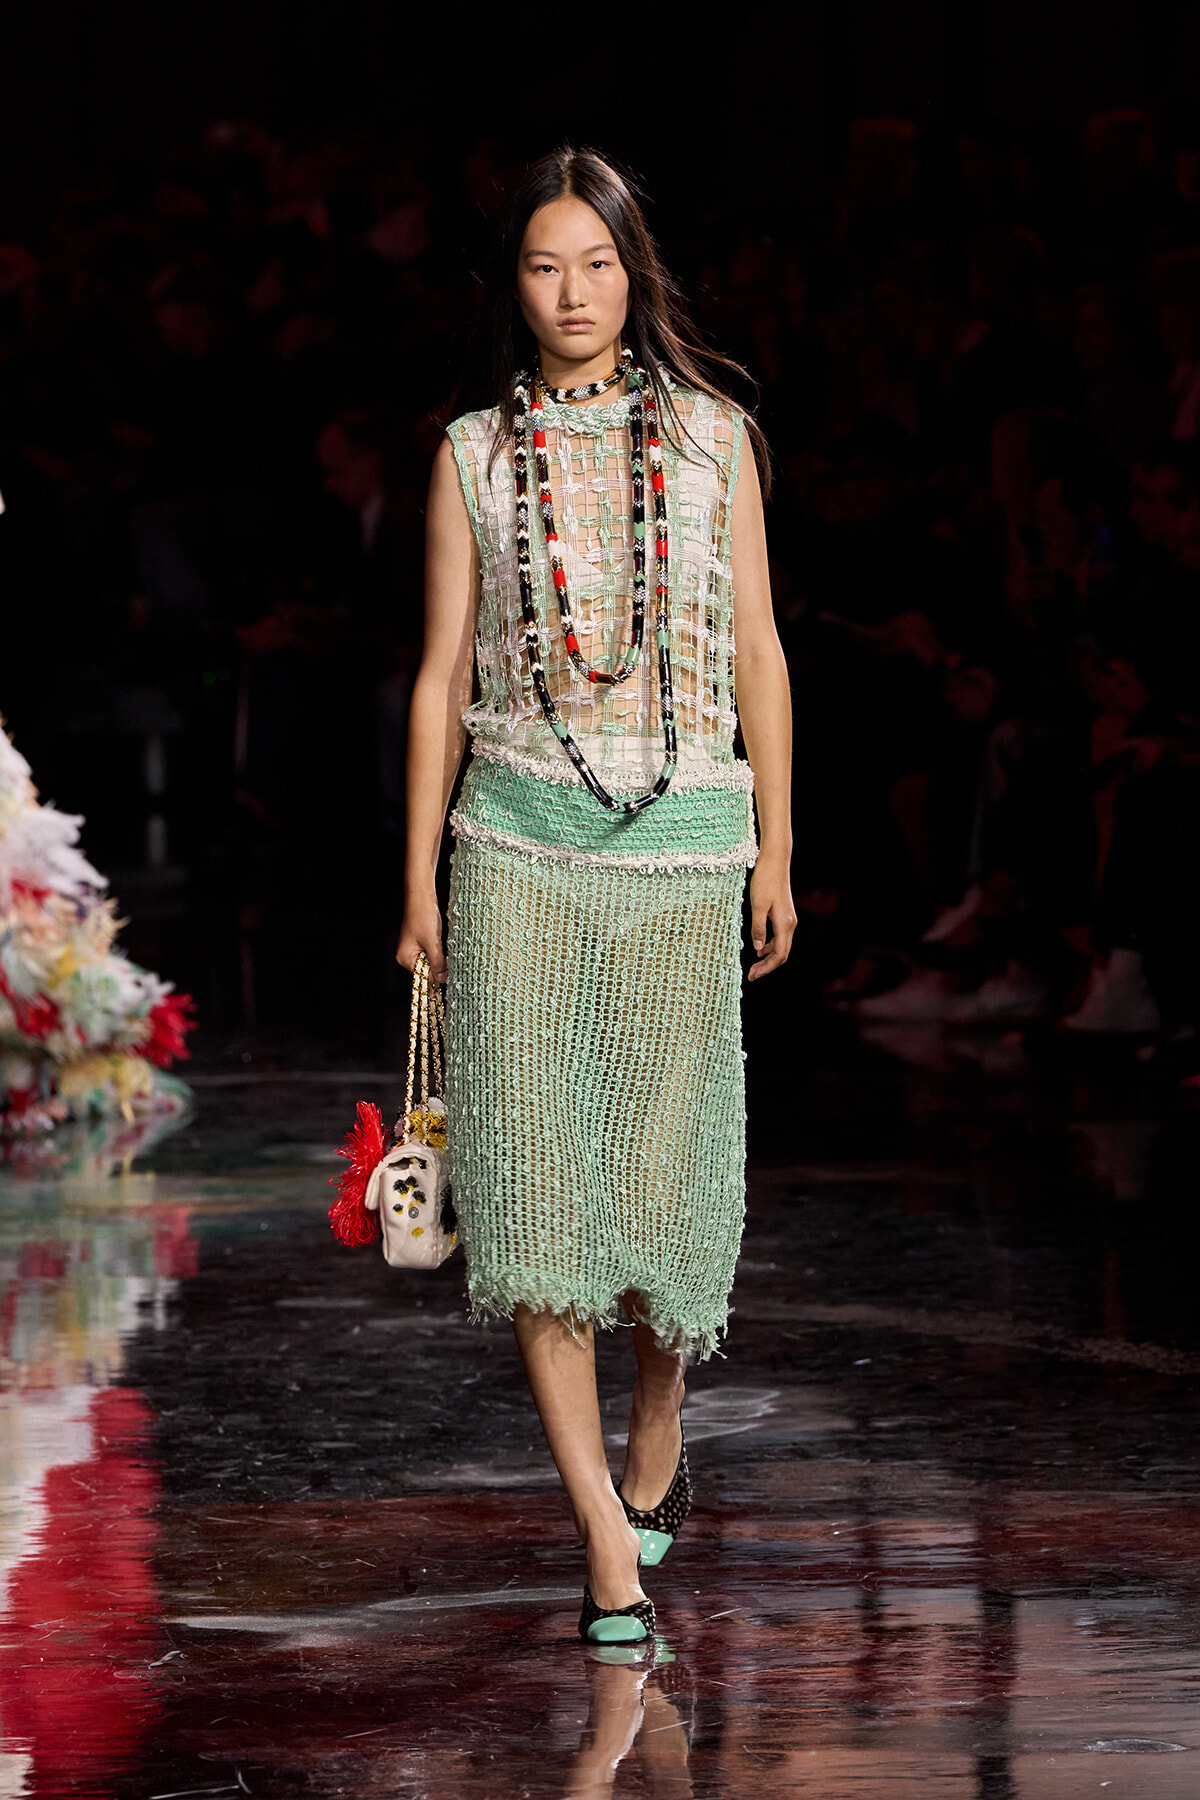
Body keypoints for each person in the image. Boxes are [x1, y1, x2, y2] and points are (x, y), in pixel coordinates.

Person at [396, 147, 795, 1645]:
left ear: (639, 273)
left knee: (664, 1190)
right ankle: (603, 1546)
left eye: (599, 265)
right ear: (512, 284)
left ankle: (659, 1421)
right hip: (511, 845)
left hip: (689, 840)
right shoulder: (470, 455)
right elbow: (438, 676)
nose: (573, 295)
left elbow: (758, 650)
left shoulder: (712, 439)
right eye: (544, 267)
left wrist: (782, 847)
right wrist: (419, 873)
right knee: (536, 1199)